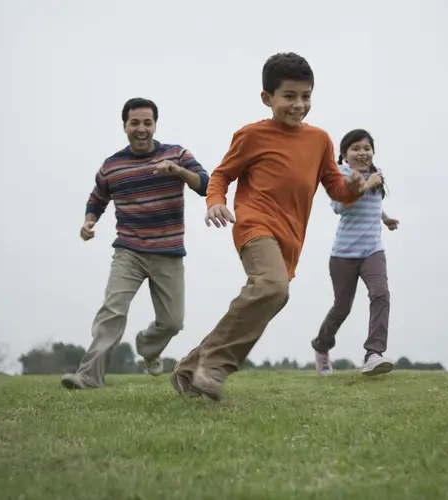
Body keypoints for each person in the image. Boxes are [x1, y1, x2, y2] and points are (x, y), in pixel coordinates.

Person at [169, 53, 383, 401]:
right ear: (267, 98)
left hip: (290, 237)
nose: (299, 105)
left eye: (306, 96)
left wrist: (355, 189)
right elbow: (222, 175)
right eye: (289, 96)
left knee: (273, 295)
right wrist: (215, 201)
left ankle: (191, 366)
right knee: (272, 286)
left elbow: (337, 190)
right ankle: (215, 367)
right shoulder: (252, 135)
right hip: (254, 224)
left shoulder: (320, 141)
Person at [61, 97, 210, 390]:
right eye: (135, 123)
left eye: (147, 122)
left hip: (168, 251)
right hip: (129, 251)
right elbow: (98, 197)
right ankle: (89, 376)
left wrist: (178, 172)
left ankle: (148, 346)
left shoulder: (177, 154)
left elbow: (205, 184)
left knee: (172, 322)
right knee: (112, 311)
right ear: (125, 126)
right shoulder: (112, 166)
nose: (141, 129)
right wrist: (89, 220)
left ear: (155, 125)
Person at [310, 129, 400, 377]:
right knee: (342, 307)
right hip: (344, 254)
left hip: (372, 251)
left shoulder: (376, 176)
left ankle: (373, 354)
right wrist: (366, 184)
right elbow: (339, 206)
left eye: (367, 148)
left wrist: (385, 218)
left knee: (380, 294)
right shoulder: (341, 175)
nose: (362, 153)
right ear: (344, 154)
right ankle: (322, 346)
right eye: (356, 148)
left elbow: (373, 205)